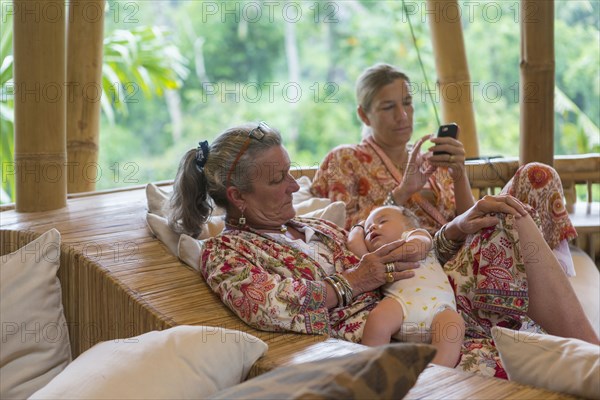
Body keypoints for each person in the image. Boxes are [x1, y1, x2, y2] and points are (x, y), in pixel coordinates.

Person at [169, 121, 598, 379]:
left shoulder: (314, 226)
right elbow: (268, 305)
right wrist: (355, 280)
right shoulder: (226, 254)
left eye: (289, 173)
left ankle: (589, 351)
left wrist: (457, 228)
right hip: (393, 327)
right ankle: (589, 357)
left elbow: (408, 255)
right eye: (278, 179)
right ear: (238, 196)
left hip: (437, 293)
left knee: (525, 190)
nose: (295, 186)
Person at [347, 205, 465, 368]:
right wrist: (359, 227)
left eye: (382, 221)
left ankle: (436, 372)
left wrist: (391, 256)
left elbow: (419, 248)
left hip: (440, 309)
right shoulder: (375, 259)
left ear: (409, 224)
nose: (372, 227)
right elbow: (354, 244)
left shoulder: (413, 234)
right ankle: (372, 368)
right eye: (367, 231)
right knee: (377, 320)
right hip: (399, 304)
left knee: (454, 326)